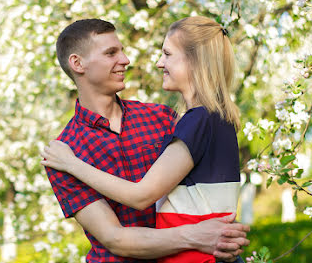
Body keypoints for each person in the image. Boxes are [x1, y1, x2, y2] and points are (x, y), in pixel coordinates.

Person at [42, 18, 249, 263]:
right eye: (111, 53)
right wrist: (196, 235)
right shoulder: (64, 153)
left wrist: (221, 232)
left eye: (122, 50)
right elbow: (114, 239)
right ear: (77, 63)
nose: (126, 59)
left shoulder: (162, 119)